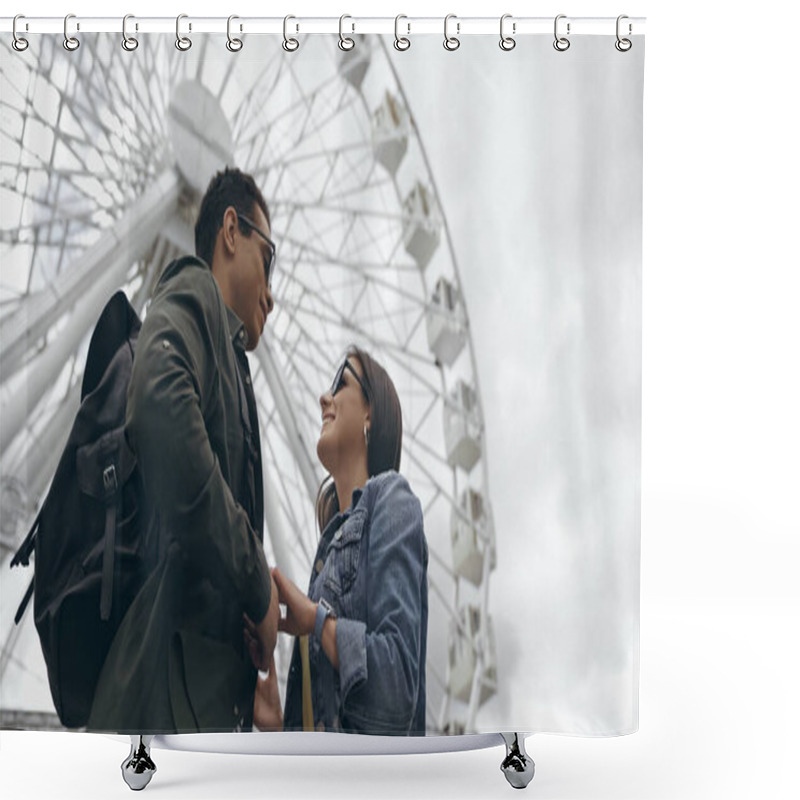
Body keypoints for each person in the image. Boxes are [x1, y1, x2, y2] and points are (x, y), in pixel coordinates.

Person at [87, 167, 280, 733]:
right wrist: (256, 582)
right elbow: (160, 407)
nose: (272, 292)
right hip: (163, 706)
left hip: (195, 705)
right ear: (230, 231)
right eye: (270, 260)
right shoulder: (194, 289)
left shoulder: (230, 359)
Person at [246, 347, 429, 735]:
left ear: (370, 412)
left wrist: (315, 621)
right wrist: (281, 725)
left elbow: (395, 688)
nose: (323, 398)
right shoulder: (326, 553)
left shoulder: (393, 499)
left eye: (341, 383)